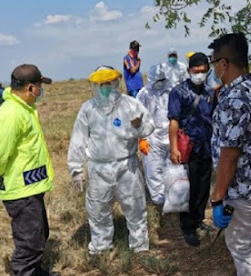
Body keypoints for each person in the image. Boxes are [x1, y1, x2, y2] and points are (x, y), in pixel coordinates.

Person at [68, 66, 155, 255]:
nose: (105, 88)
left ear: (116, 82)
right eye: (101, 84)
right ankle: (100, 247)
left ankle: (139, 247)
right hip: (99, 168)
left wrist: (139, 127)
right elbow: (79, 138)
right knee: (98, 210)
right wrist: (76, 168)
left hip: (127, 165)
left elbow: (149, 127)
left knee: (135, 207)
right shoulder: (88, 108)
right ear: (95, 86)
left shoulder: (130, 104)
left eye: (108, 83)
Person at [0, 64, 60, 276]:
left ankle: (38, 275)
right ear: (30, 88)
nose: (40, 91)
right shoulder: (12, 114)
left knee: (39, 235)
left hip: (31, 186)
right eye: (38, 86)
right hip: (20, 191)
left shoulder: (24, 109)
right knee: (29, 245)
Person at [209, 32, 251, 276]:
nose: (213, 70)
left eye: (213, 63)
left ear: (224, 64)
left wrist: (217, 198)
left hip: (241, 185)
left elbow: (229, 156)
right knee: (246, 245)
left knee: (242, 247)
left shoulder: (235, 98)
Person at [168, 53, 215, 247]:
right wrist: (173, 148)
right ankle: (188, 227)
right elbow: (173, 121)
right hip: (188, 148)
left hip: (206, 146)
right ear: (189, 71)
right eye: (196, 72)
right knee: (189, 188)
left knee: (203, 187)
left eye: (204, 71)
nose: (200, 75)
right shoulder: (179, 92)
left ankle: (199, 219)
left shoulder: (210, 92)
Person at [137, 64, 173, 205]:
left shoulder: (170, 91)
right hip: (152, 138)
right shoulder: (144, 94)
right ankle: (159, 203)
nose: (159, 84)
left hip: (170, 136)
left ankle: (172, 200)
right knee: (154, 171)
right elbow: (138, 118)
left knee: (171, 170)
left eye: (162, 80)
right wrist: (142, 139)